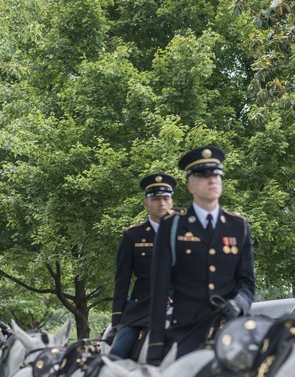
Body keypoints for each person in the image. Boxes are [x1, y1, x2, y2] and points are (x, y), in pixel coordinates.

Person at [147, 146, 255, 364]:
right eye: (203, 176)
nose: (212, 180)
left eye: (215, 175)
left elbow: (247, 283)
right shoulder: (173, 224)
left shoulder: (238, 225)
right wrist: (156, 349)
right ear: (190, 186)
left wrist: (238, 303)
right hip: (189, 331)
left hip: (232, 329)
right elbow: (159, 289)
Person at [109, 173, 175, 359]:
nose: (161, 203)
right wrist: (116, 320)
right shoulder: (132, 236)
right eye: (155, 199)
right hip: (143, 309)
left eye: (166, 198)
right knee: (116, 358)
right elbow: (122, 280)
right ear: (146, 203)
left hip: (184, 305)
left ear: (172, 202)